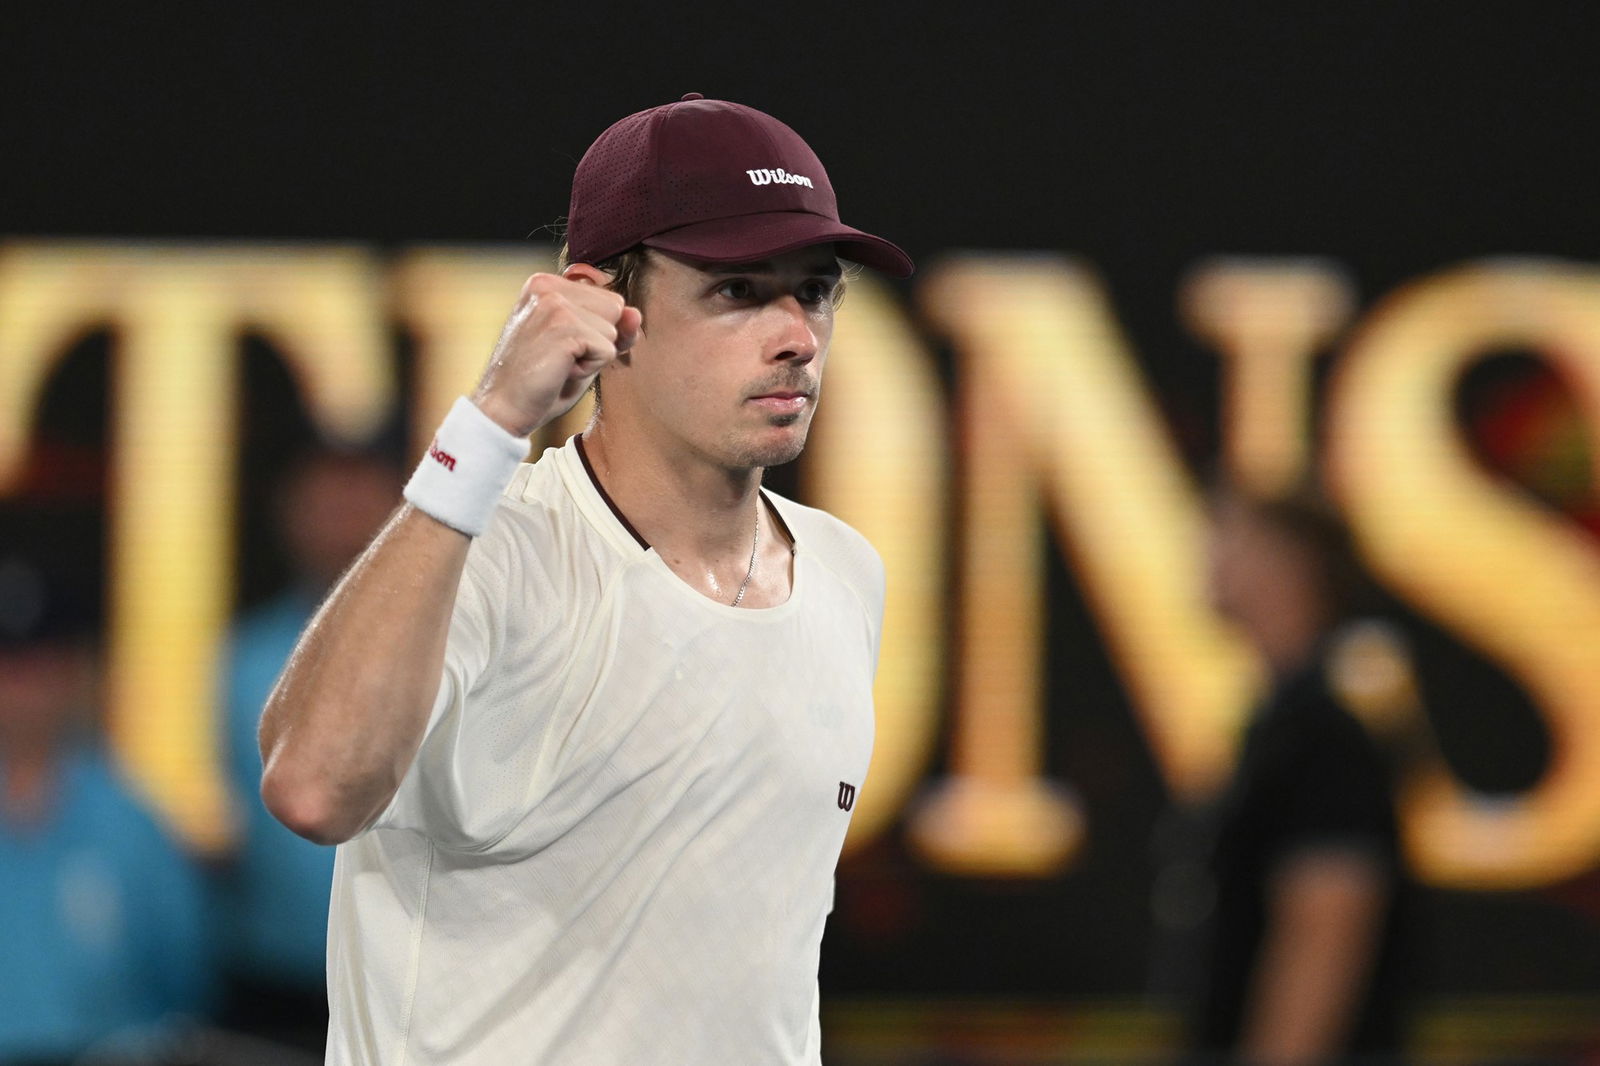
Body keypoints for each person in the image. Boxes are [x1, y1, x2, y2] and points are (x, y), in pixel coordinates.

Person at [258, 94, 913, 1064]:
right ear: (603, 309)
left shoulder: (844, 574)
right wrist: (485, 424)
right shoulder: (486, 553)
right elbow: (312, 789)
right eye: (737, 291)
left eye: (813, 290)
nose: (797, 337)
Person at [1155, 485, 1411, 1066]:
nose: (1208, 559)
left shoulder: (1321, 735)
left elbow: (1328, 927)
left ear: (1288, 564)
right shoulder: (1283, 724)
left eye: (1228, 539)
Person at [215, 448, 400, 1053]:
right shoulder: (241, 659)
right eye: (322, 498)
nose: (341, 517)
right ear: (288, 515)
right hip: (276, 980)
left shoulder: (463, 640)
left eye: (357, 493)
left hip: (411, 971)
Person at [0, 535, 210, 1064]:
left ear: (75, 674)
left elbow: (186, 985)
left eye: (41, 666)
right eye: (9, 667)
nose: (22, 690)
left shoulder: (131, 822)